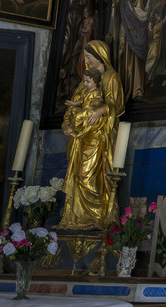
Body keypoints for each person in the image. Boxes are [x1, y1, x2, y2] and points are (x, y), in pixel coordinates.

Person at [60, 39, 124, 229]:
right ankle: (76, 218)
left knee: (89, 176)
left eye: (88, 57)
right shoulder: (85, 81)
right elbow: (75, 104)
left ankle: (96, 217)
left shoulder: (111, 77)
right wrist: (66, 123)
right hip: (79, 137)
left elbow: (116, 105)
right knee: (77, 174)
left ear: (100, 56)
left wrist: (99, 112)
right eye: (85, 57)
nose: (86, 61)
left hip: (99, 137)